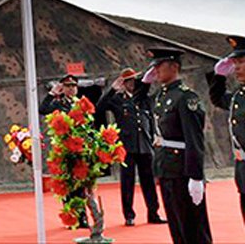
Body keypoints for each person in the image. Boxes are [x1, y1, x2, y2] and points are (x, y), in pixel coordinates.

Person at [144, 46, 212, 244]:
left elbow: (194, 140)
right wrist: (144, 83)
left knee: (193, 228)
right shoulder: (161, 96)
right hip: (166, 168)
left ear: (174, 67)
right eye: (154, 66)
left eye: (159, 65)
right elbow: (139, 101)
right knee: (177, 228)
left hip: (183, 171)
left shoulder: (186, 97)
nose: (155, 69)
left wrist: (196, 176)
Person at [96, 68, 166, 226]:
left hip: (145, 145)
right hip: (127, 147)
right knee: (127, 182)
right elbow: (100, 107)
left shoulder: (144, 99)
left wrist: (155, 134)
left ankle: (153, 213)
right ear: (123, 83)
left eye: (133, 80)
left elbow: (150, 119)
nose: (132, 84)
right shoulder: (117, 99)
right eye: (128, 81)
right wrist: (112, 90)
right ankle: (129, 215)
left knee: (149, 181)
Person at [39, 73, 88, 229]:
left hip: (79, 148)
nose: (71, 89)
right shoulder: (57, 104)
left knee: (80, 184)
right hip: (64, 148)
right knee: (67, 184)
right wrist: (52, 93)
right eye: (67, 86)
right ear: (62, 88)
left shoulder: (81, 104)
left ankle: (83, 217)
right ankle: (71, 218)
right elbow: (42, 109)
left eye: (73, 86)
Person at [205, 34, 245, 224]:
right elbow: (218, 98)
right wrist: (219, 76)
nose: (236, 68)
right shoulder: (239, 96)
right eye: (234, 63)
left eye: (241, 62)